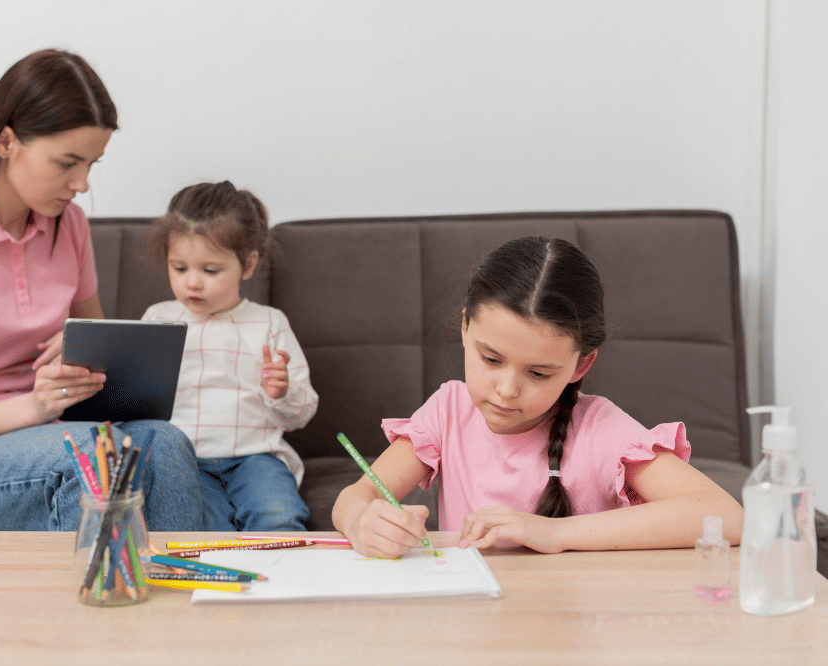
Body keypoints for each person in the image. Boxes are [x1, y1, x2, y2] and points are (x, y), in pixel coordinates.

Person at [0, 49, 205, 533]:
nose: (82, 184)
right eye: (67, 163)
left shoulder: (66, 225)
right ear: (7, 142)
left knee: (166, 444)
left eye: (92, 164)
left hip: (53, 435)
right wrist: (37, 405)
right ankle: (93, 607)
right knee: (88, 459)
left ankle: (184, 600)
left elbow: (100, 371)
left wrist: (84, 363)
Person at [332, 236, 744, 557]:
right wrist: (361, 520)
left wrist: (553, 532)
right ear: (464, 330)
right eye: (490, 358)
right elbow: (356, 497)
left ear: (580, 367)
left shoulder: (601, 429)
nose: (507, 390)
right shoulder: (448, 411)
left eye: (539, 373)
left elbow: (726, 516)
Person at [142, 181, 318, 531]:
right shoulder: (157, 319)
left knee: (279, 517)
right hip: (184, 461)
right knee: (203, 529)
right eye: (179, 268)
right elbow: (137, 402)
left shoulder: (269, 323)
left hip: (256, 457)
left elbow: (301, 413)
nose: (192, 283)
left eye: (210, 271)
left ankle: (285, 583)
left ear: (248, 265)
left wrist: (280, 392)